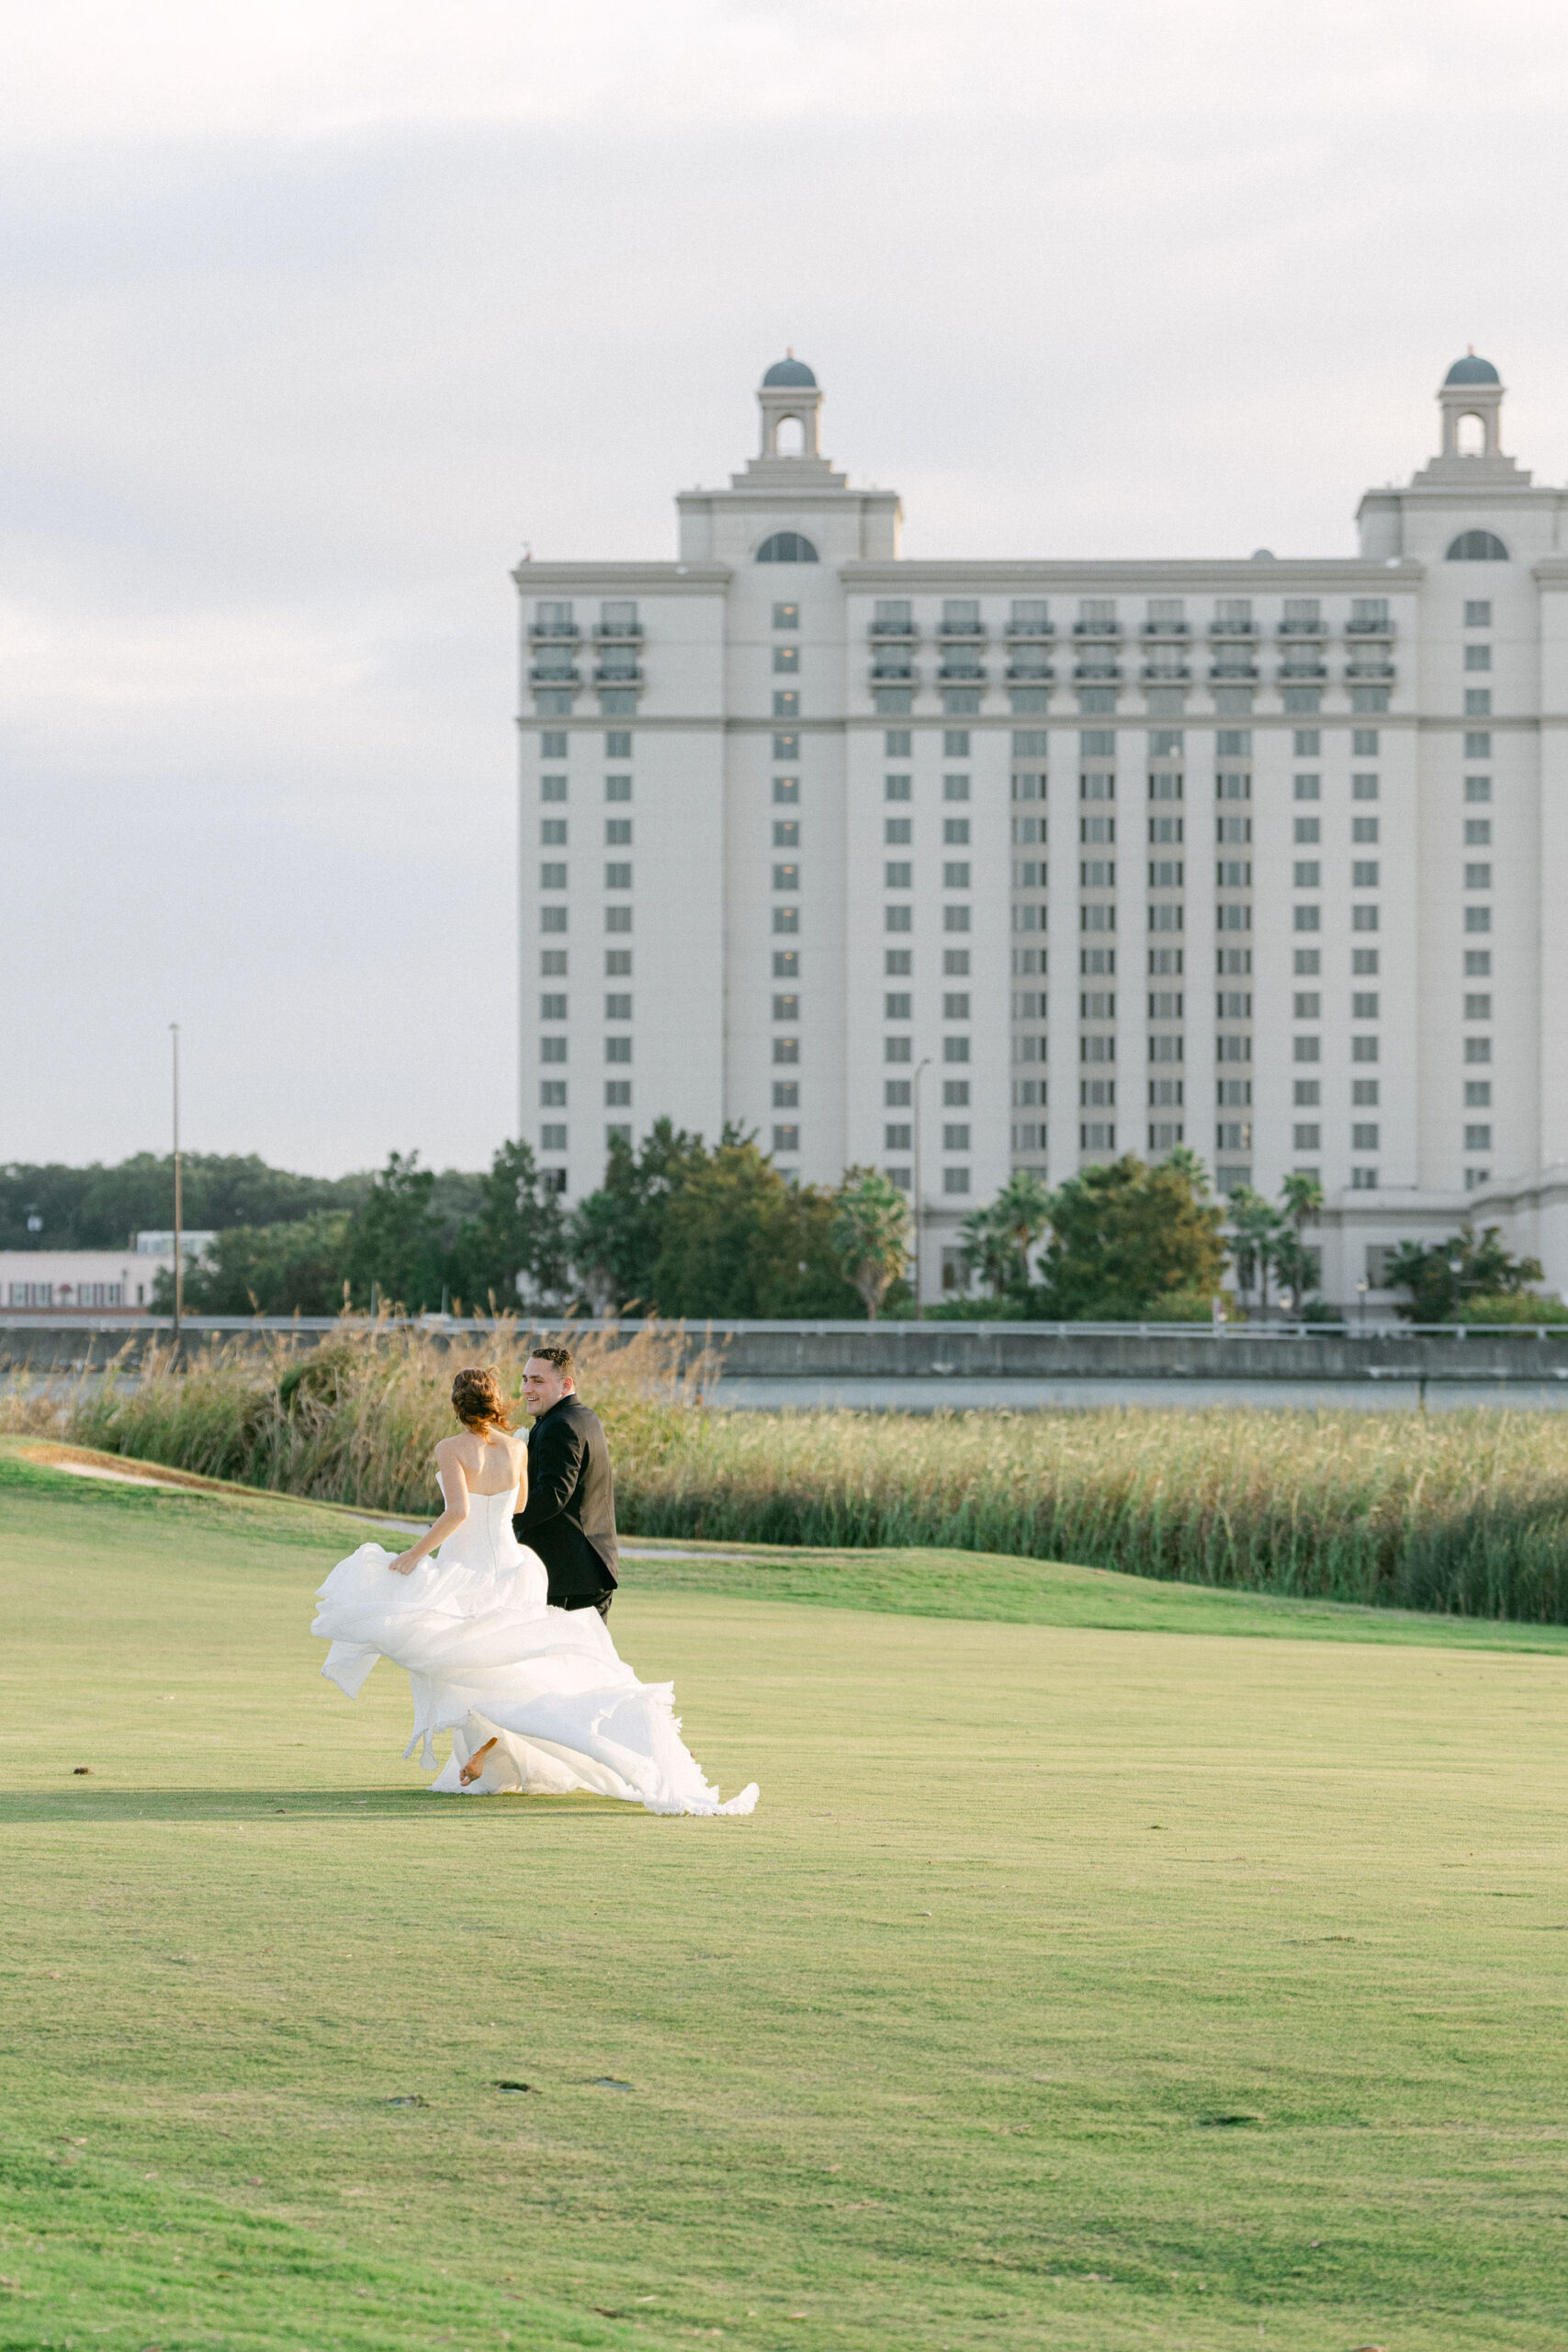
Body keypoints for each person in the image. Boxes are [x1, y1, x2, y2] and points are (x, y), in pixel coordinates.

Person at [310, 1365, 757, 1816]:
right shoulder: (515, 1448)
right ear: (497, 1401)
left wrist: (414, 1554)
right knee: (506, 1666)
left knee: (465, 1661)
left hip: (467, 1567)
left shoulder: (450, 1448)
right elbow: (520, 1505)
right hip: (513, 1567)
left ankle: (491, 1754)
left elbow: (458, 1512)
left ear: (456, 1406)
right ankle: (493, 1753)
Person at [512, 1344, 617, 1616]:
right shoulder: (583, 1416)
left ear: (565, 1384)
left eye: (537, 1381)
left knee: (564, 1657)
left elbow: (552, 1495)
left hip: (569, 1574)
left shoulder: (561, 1425)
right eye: (525, 1379)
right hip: (584, 1570)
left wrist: (500, 1522)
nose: (526, 1389)